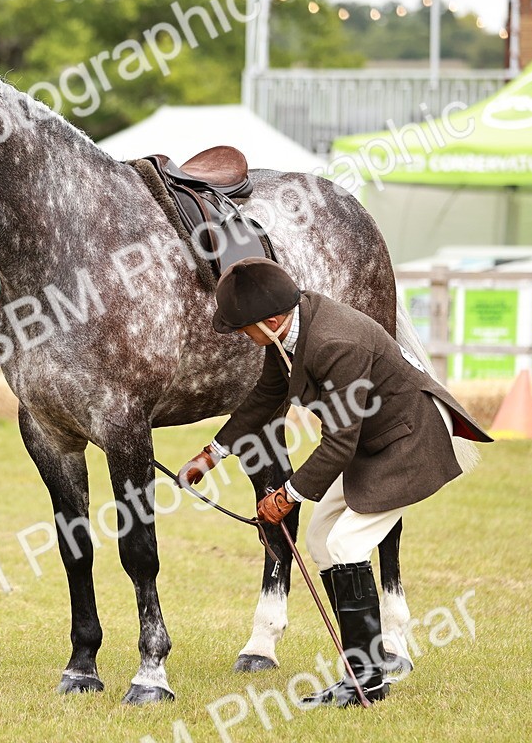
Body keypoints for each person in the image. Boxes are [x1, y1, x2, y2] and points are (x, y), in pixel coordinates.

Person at [179, 258, 491, 708]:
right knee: (321, 538)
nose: (242, 337)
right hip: (374, 436)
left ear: (268, 321)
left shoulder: (334, 342)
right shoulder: (290, 330)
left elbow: (339, 443)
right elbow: (267, 396)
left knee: (346, 545)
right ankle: (361, 670)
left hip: (409, 439)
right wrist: (211, 455)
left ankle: (367, 680)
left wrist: (286, 495)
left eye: (243, 328)